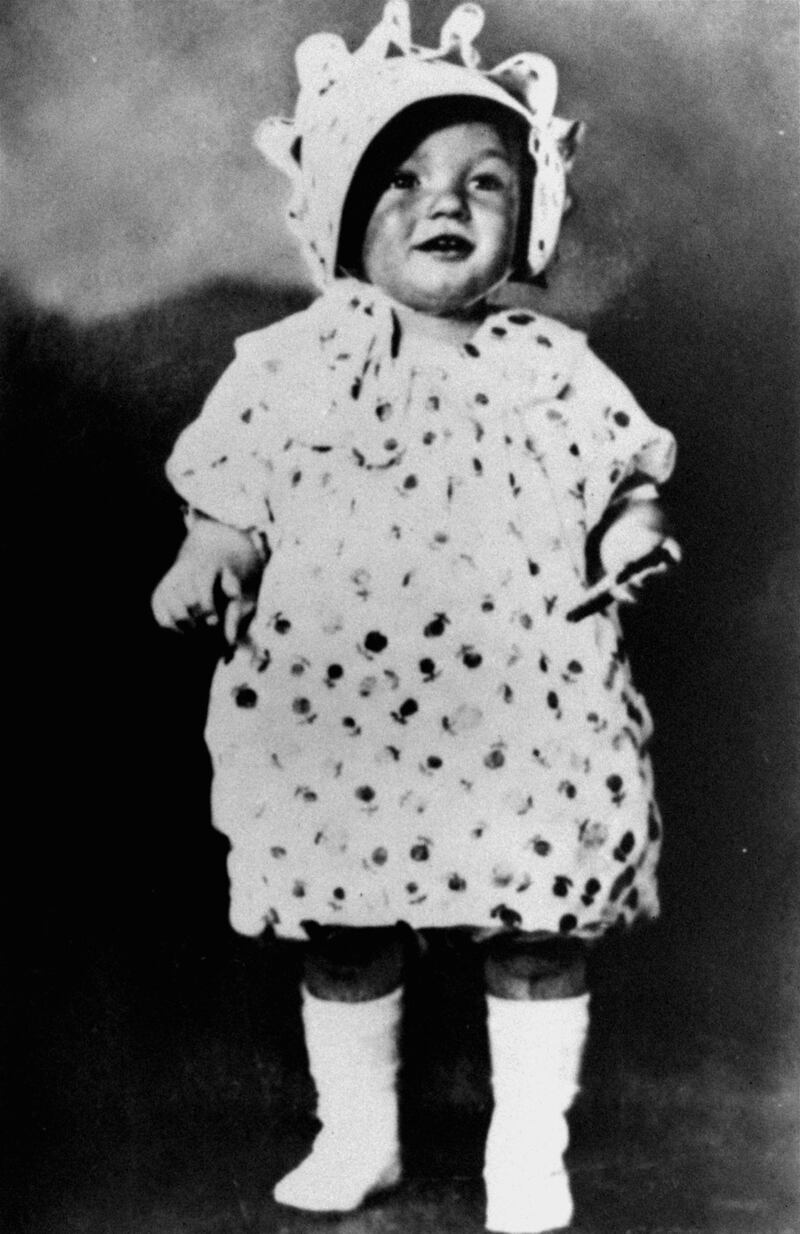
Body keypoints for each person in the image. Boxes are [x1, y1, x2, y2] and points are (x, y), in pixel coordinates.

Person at [151, 4, 680, 1231]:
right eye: (399, 179)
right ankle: (358, 1136)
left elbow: (627, 483)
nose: (443, 200)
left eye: (482, 181)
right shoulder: (289, 365)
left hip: (524, 703)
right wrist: (211, 555)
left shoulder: (553, 368)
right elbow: (230, 497)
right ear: (339, 215)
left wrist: (630, 536)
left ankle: (527, 1154)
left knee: (537, 921)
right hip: (342, 707)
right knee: (343, 925)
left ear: (528, 218)